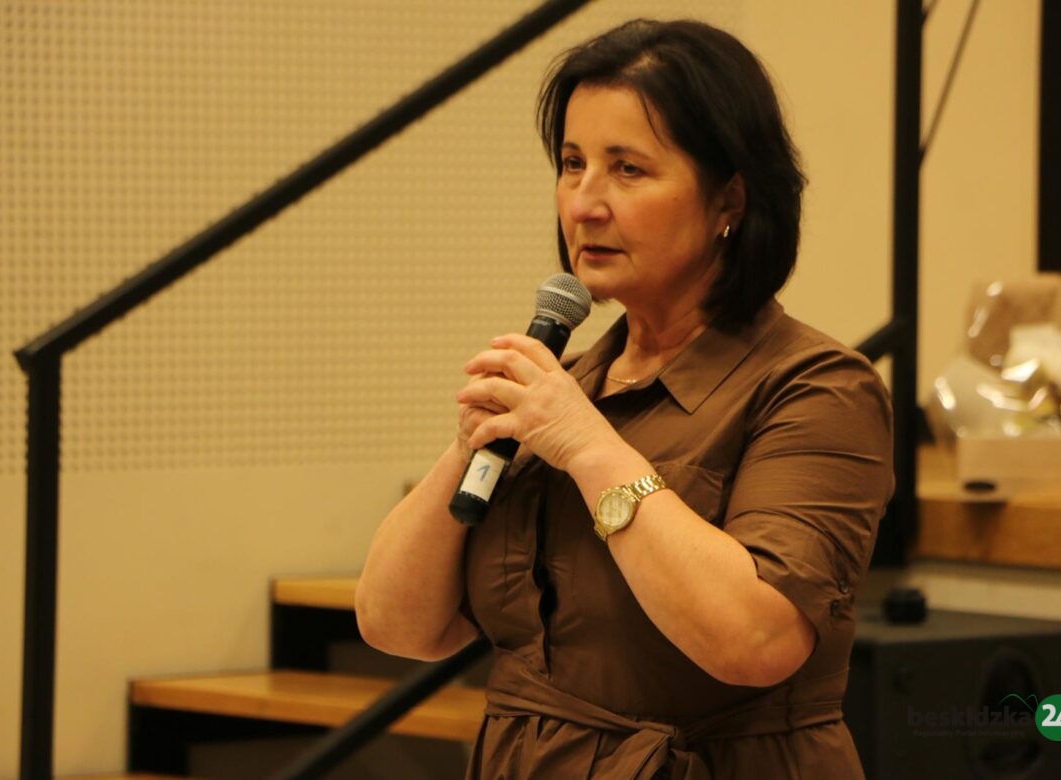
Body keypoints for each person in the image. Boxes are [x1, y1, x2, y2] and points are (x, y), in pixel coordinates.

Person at [355, 18, 893, 779]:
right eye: (572, 164)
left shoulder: (816, 387)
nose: (584, 203)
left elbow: (758, 640)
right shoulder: (565, 388)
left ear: (730, 199)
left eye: (628, 170)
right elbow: (396, 625)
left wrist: (590, 448)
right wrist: (467, 444)